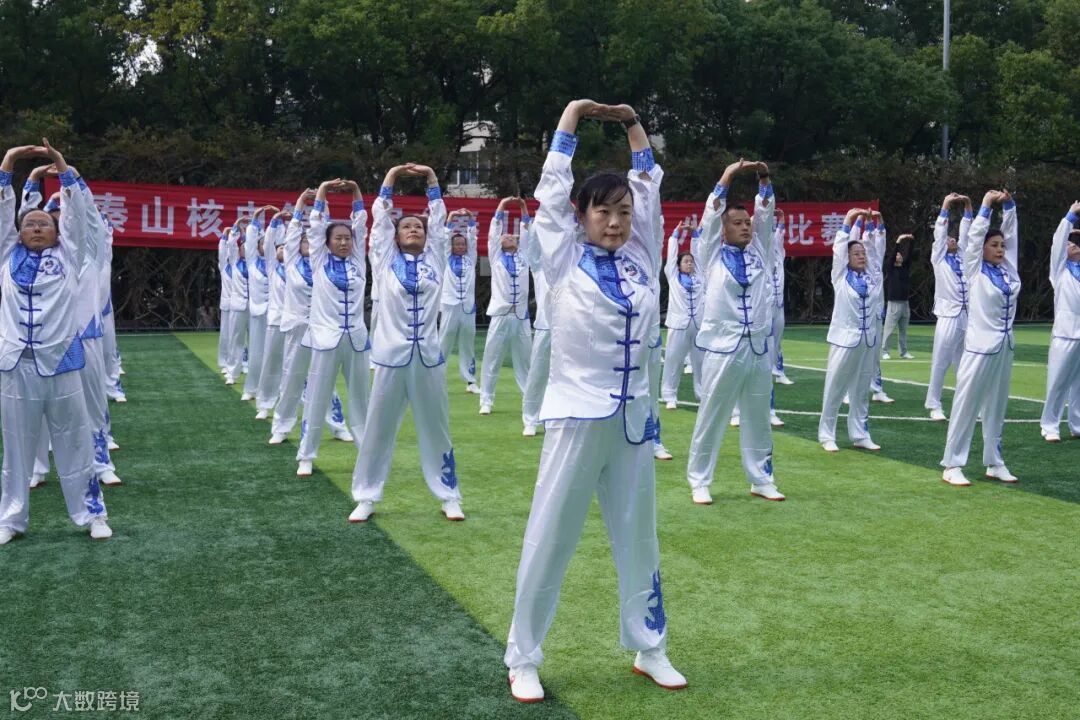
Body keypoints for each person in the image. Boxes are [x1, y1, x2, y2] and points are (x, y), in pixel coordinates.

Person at [504, 100, 685, 703]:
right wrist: (573, 116)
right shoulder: (561, 255)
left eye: (622, 212)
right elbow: (551, 187)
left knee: (639, 537)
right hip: (577, 416)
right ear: (579, 215)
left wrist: (633, 124)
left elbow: (649, 186)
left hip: (633, 422)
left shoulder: (641, 256)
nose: (615, 222)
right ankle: (523, 656)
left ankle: (650, 646)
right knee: (550, 535)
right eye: (603, 211)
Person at [0, 141, 112, 544]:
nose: (35, 228)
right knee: (16, 448)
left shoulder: (70, 256)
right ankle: (10, 519)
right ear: (18, 232)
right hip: (16, 365)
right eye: (29, 223)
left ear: (56, 231)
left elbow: (82, 220)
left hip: (62, 362)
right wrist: (8, 164)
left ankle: (92, 514)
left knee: (75, 442)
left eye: (43, 224)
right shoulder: (6, 256)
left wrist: (64, 170)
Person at [349, 163, 464, 522]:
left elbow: (439, 223)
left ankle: (448, 494)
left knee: (437, 428)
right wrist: (391, 178)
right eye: (406, 227)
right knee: (377, 429)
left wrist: (432, 180)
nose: (413, 229)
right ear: (396, 236)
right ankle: (366, 495)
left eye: (418, 227)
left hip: (428, 357)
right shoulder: (384, 260)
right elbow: (380, 223)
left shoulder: (435, 259)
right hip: (389, 357)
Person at [683, 159, 784, 505]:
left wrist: (763, 179)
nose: (745, 227)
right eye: (737, 223)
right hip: (723, 348)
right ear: (723, 230)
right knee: (712, 415)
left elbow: (766, 215)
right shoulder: (709, 253)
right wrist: (726, 176)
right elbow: (711, 216)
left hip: (757, 348)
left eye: (747, 223)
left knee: (758, 416)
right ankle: (699, 480)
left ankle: (761, 478)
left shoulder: (760, 251)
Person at [940, 190, 1021, 486]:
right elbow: (973, 241)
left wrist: (1009, 207)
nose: (1000, 250)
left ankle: (994, 461)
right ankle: (952, 464)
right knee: (967, 405)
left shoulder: (1008, 271)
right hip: (978, 349)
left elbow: (1013, 238)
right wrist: (986, 207)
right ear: (983, 249)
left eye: (1002, 245)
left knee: (997, 407)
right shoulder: (973, 269)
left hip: (1004, 348)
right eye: (994, 245)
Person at [292, 180, 369, 476]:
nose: (344, 242)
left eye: (347, 238)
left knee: (361, 400)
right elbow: (315, 225)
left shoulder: (358, 262)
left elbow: (360, 224)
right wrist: (323, 190)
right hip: (325, 340)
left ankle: (367, 452)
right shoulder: (319, 260)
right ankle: (306, 455)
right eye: (338, 238)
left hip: (357, 340)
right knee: (316, 399)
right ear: (327, 242)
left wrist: (356, 192)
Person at [268, 190, 352, 445]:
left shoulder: (323, 263)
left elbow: (322, 228)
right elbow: (294, 232)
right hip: (297, 327)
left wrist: (323, 202)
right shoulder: (291, 262)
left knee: (324, 380)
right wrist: (300, 204)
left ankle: (337, 425)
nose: (306, 243)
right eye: (302, 241)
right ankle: (281, 426)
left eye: (310, 241)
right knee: (292, 378)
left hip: (321, 328)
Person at [818, 208, 885, 453]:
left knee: (861, 390)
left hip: (867, 341)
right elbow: (838, 249)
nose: (861, 256)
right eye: (856, 253)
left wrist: (875, 223)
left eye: (862, 253)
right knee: (835, 388)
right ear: (847, 258)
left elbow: (876, 252)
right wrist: (848, 221)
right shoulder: (840, 276)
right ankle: (827, 434)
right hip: (844, 340)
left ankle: (860, 433)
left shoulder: (872, 277)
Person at [478, 196, 533, 415]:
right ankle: (486, 400)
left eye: (512, 235)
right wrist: (502, 206)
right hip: (500, 314)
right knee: (492, 359)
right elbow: (494, 232)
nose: (509, 236)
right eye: (505, 235)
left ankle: (529, 400)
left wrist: (523, 207)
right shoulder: (496, 257)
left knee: (525, 361)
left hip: (521, 316)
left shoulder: (524, 256)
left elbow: (527, 233)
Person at [925, 193, 974, 421]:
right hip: (948, 315)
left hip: (968, 315)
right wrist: (945, 205)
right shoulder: (939, 259)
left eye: (953, 239)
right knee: (941, 361)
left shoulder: (964, 256)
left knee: (965, 363)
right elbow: (939, 234)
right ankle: (934, 404)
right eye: (948, 238)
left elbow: (968, 234)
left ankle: (966, 404)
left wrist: (968, 206)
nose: (951, 240)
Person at [1038, 202, 1080, 442]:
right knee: (1057, 382)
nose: (1072, 244)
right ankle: (1050, 425)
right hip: (1065, 333)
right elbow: (1058, 242)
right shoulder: (1060, 270)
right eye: (1070, 243)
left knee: (1079, 384)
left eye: (1075, 243)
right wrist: (1070, 216)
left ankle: (1077, 424)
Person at [660, 220, 703, 410]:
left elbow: (700, 256)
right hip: (678, 325)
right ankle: (670, 395)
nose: (690, 263)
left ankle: (701, 393)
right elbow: (671, 258)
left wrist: (695, 236)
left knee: (700, 362)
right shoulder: (674, 276)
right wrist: (675, 236)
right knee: (673, 361)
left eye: (691, 261)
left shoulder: (700, 277)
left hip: (698, 325)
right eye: (686, 261)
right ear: (678, 265)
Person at [437, 208, 481, 395]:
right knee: (444, 341)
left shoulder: (471, 258)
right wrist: (451, 217)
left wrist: (470, 217)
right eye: (457, 244)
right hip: (449, 305)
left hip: (467, 307)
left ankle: (470, 381)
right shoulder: (446, 258)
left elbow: (473, 238)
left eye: (463, 244)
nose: (461, 247)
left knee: (467, 343)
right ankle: (437, 377)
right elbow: (444, 239)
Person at [254, 208, 290, 420]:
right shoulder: (272, 267)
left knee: (301, 369)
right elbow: (268, 243)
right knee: (271, 364)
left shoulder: (301, 267)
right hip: (276, 321)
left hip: (299, 324)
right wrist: (275, 220)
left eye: (286, 247)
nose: (282, 250)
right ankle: (265, 404)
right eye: (279, 248)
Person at [520, 209, 552, 436]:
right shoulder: (540, 268)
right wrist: (541, 217)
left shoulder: (575, 265)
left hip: (573, 329)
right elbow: (532, 246)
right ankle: (531, 418)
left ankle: (558, 416)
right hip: (545, 326)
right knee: (538, 374)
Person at [240, 206, 276, 402]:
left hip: (275, 314)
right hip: (257, 312)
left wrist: (278, 220)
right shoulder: (252, 262)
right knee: (256, 353)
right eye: (260, 243)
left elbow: (276, 240)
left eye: (266, 243)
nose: (264, 245)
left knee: (274, 355)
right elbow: (250, 241)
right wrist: (255, 218)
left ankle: (273, 391)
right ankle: (251, 388)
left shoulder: (274, 264)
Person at [881, 232, 915, 359]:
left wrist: (911, 241)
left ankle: (903, 352)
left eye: (900, 255)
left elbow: (909, 254)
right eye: (897, 255)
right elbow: (891, 257)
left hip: (905, 303)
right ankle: (885, 351)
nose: (899, 256)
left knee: (903, 330)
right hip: (894, 303)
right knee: (889, 329)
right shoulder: (891, 268)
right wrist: (899, 241)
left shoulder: (905, 267)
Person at [770, 209, 793, 384]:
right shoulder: (757, 251)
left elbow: (780, 233)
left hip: (778, 303)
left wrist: (782, 218)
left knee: (777, 338)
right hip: (763, 304)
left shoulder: (779, 252)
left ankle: (778, 371)